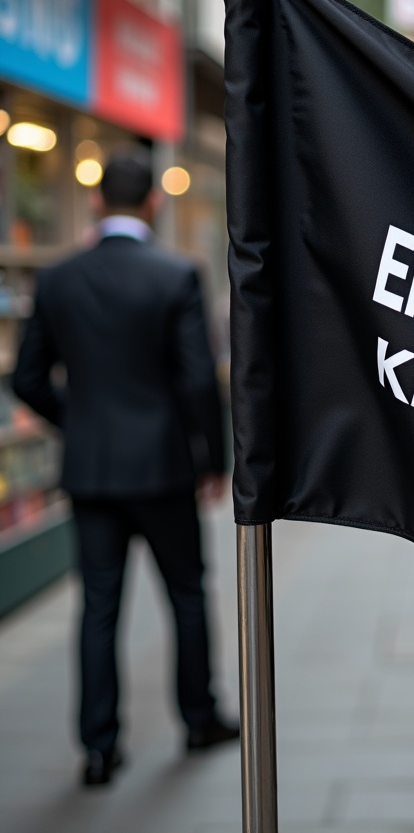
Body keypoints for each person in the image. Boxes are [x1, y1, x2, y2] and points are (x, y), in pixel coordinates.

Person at [12, 150, 238, 787]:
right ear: (153, 203)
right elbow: (199, 381)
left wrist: (75, 420)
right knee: (187, 595)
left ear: (95, 201)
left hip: (91, 472)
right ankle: (199, 719)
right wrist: (212, 461)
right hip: (164, 468)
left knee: (99, 608)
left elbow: (27, 379)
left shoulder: (58, 280)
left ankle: (99, 748)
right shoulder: (174, 275)